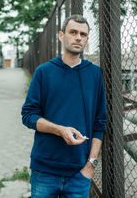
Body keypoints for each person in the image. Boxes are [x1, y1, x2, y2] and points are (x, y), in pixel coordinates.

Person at [21, 14, 107, 198]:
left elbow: (100, 123)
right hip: (44, 170)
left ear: (87, 39)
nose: (78, 37)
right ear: (61, 35)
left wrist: (90, 165)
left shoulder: (94, 74)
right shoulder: (44, 72)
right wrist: (59, 130)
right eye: (73, 32)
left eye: (83, 34)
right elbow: (28, 115)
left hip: (79, 173)